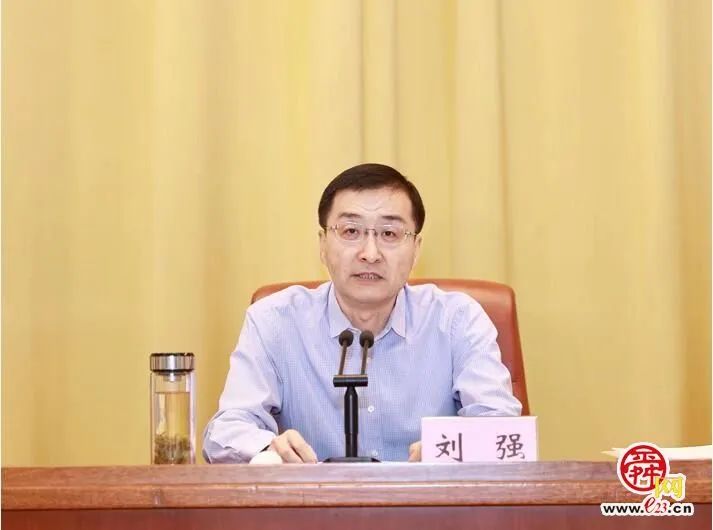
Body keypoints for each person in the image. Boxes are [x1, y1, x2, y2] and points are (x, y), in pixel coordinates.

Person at [203, 163, 521, 463]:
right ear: (323, 244)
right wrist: (268, 449)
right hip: (315, 503)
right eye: (351, 231)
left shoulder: (458, 321)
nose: (370, 253)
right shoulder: (274, 322)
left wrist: (448, 451)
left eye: (389, 234)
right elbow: (226, 432)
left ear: (416, 249)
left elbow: (502, 428)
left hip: (428, 502)